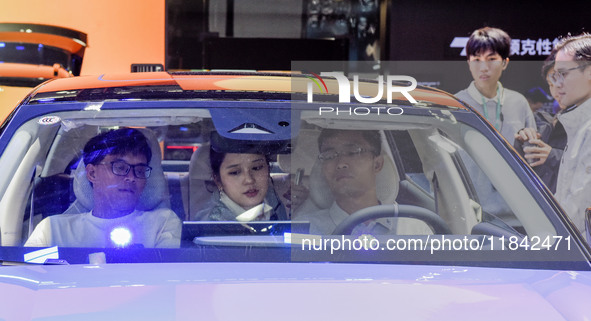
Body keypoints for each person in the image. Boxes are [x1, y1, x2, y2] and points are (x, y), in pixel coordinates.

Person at [25, 128, 182, 248]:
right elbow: (25, 279)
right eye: (120, 167)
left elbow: (163, 282)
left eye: (140, 170)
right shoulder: (53, 230)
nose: (131, 177)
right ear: (92, 173)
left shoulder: (161, 223)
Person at [299, 129, 431, 235]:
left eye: (352, 152)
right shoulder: (305, 230)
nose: (341, 164)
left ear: (377, 165)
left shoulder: (414, 230)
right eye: (329, 156)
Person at [455, 27, 535, 145]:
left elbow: (532, 148)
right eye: (477, 60)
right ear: (469, 64)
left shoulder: (518, 102)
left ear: (504, 63)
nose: (484, 68)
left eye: (491, 59)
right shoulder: (456, 104)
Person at [549, 33, 591, 235]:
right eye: (555, 75)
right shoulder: (581, 125)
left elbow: (577, 215)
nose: (557, 83)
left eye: (563, 74)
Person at [514, 52, 567, 193]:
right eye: (551, 83)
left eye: (561, 79)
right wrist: (522, 139)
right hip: (542, 207)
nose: (556, 89)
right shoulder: (543, 122)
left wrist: (552, 156)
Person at [207, 145, 288, 221]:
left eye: (257, 167)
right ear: (218, 180)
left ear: (268, 169)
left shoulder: (276, 205)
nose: (249, 180)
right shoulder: (211, 226)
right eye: (235, 172)